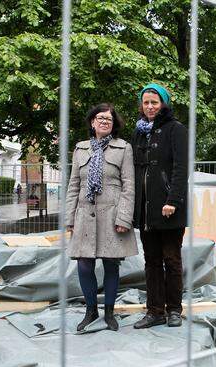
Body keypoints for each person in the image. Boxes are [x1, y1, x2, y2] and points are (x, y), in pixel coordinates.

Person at [66, 103, 137, 332]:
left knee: (111, 265)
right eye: (100, 117)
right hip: (84, 215)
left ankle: (109, 313)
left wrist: (124, 218)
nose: (105, 121)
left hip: (112, 215)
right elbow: (73, 186)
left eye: (109, 118)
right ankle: (90, 311)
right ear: (92, 122)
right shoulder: (80, 149)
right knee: (84, 266)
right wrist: (69, 219)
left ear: (114, 123)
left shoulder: (123, 148)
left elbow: (129, 185)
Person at [131, 83, 188, 329]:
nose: (150, 106)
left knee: (171, 260)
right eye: (146, 102)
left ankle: (174, 309)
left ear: (163, 103)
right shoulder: (139, 132)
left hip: (169, 209)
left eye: (155, 102)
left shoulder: (176, 129)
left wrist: (172, 201)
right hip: (146, 210)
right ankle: (155, 311)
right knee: (151, 261)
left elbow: (180, 168)